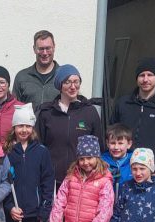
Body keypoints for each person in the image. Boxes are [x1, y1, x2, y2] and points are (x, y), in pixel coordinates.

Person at [36, 64, 104, 203]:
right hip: (52, 181)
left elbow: (99, 148)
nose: (73, 86)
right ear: (60, 85)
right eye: (67, 82)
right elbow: (38, 146)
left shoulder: (90, 112)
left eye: (76, 81)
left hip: (81, 180)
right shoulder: (47, 113)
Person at [110, 57, 155, 181]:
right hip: (123, 168)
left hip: (153, 171)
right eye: (141, 75)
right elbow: (111, 133)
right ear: (137, 78)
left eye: (150, 75)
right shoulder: (123, 103)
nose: (145, 79)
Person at [48, 135, 114, 222]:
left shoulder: (104, 180)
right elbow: (60, 199)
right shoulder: (71, 176)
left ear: (97, 157)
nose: (85, 162)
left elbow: (105, 210)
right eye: (82, 159)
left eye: (89, 158)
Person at [4, 103, 54, 222]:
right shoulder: (8, 152)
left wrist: (44, 208)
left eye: (28, 126)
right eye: (20, 126)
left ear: (32, 128)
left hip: (33, 213)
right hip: (12, 212)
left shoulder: (41, 152)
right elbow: (4, 182)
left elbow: (47, 181)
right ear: (14, 128)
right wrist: (10, 207)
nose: (24, 130)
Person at [13, 30, 61, 109]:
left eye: (48, 48)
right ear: (34, 49)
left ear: (54, 48)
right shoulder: (22, 77)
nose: (45, 53)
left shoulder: (63, 76)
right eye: (41, 49)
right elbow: (14, 108)